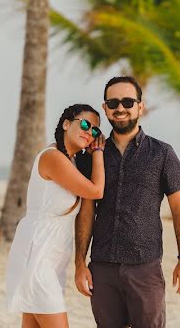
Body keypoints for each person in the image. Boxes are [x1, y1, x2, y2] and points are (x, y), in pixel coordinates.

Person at [74, 76, 180, 328]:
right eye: (113, 102)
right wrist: (79, 263)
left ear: (140, 106)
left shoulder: (162, 153)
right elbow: (86, 210)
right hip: (102, 267)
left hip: (145, 267)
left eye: (128, 101)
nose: (120, 108)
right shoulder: (93, 155)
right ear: (105, 108)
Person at [6, 104, 107, 328]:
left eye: (95, 131)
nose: (89, 132)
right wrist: (98, 153)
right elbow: (96, 190)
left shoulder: (70, 161)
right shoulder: (53, 157)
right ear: (66, 124)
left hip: (51, 258)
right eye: (84, 124)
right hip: (38, 256)